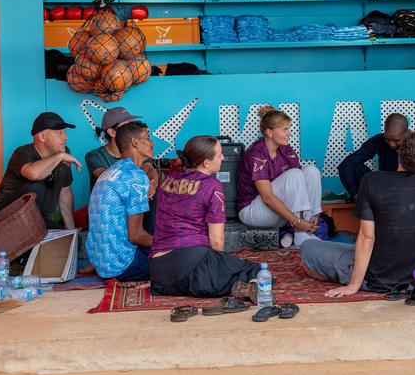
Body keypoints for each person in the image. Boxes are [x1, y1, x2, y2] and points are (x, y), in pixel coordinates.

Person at [301, 131, 415, 297]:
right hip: (413, 278)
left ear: (400, 155)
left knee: (309, 247)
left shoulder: (372, 180)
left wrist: (353, 286)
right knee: (348, 248)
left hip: (375, 279)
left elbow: (367, 238)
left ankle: (346, 276)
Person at [149, 135, 262, 298]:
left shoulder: (166, 181)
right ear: (206, 162)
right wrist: (220, 267)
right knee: (255, 271)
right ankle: (240, 286)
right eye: (219, 154)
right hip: (192, 264)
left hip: (160, 273)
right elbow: (217, 241)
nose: (223, 157)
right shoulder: (211, 186)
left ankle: (228, 284)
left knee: (223, 272)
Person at [236, 106, 323, 247]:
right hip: (252, 212)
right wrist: (297, 222)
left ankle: (309, 226)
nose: (289, 133)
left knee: (311, 171)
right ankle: (300, 233)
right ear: (269, 132)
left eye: (289, 128)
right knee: (294, 174)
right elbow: (267, 198)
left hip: (279, 213)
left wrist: (314, 213)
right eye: (284, 129)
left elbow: (301, 186)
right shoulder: (257, 154)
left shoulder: (285, 149)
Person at [0, 111, 82, 228]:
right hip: (0, 219)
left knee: (71, 241)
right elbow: (34, 174)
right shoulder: (22, 152)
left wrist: (71, 231)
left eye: (65, 132)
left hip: (36, 220)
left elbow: (64, 194)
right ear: (42, 136)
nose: (65, 137)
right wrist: (60, 157)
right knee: (34, 188)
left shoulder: (64, 152)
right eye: (59, 133)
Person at [84, 122, 155, 282]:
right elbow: (135, 235)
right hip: (122, 266)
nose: (152, 143)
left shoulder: (108, 173)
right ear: (135, 142)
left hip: (102, 262)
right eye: (148, 138)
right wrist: (171, 245)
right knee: (183, 258)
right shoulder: (135, 176)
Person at [76, 107, 157, 232]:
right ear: (112, 132)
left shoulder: (138, 153)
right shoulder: (94, 156)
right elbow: (106, 177)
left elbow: (149, 169)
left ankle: (149, 243)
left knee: (154, 194)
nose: (133, 128)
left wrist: (152, 184)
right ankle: (146, 243)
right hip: (108, 212)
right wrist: (142, 184)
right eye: (127, 125)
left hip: (131, 207)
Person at [338, 113, 408, 200]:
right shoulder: (379, 140)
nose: (391, 144)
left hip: (408, 189)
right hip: (383, 189)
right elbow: (345, 164)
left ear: (406, 134)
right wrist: (355, 194)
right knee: (356, 167)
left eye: (396, 140)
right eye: (387, 139)